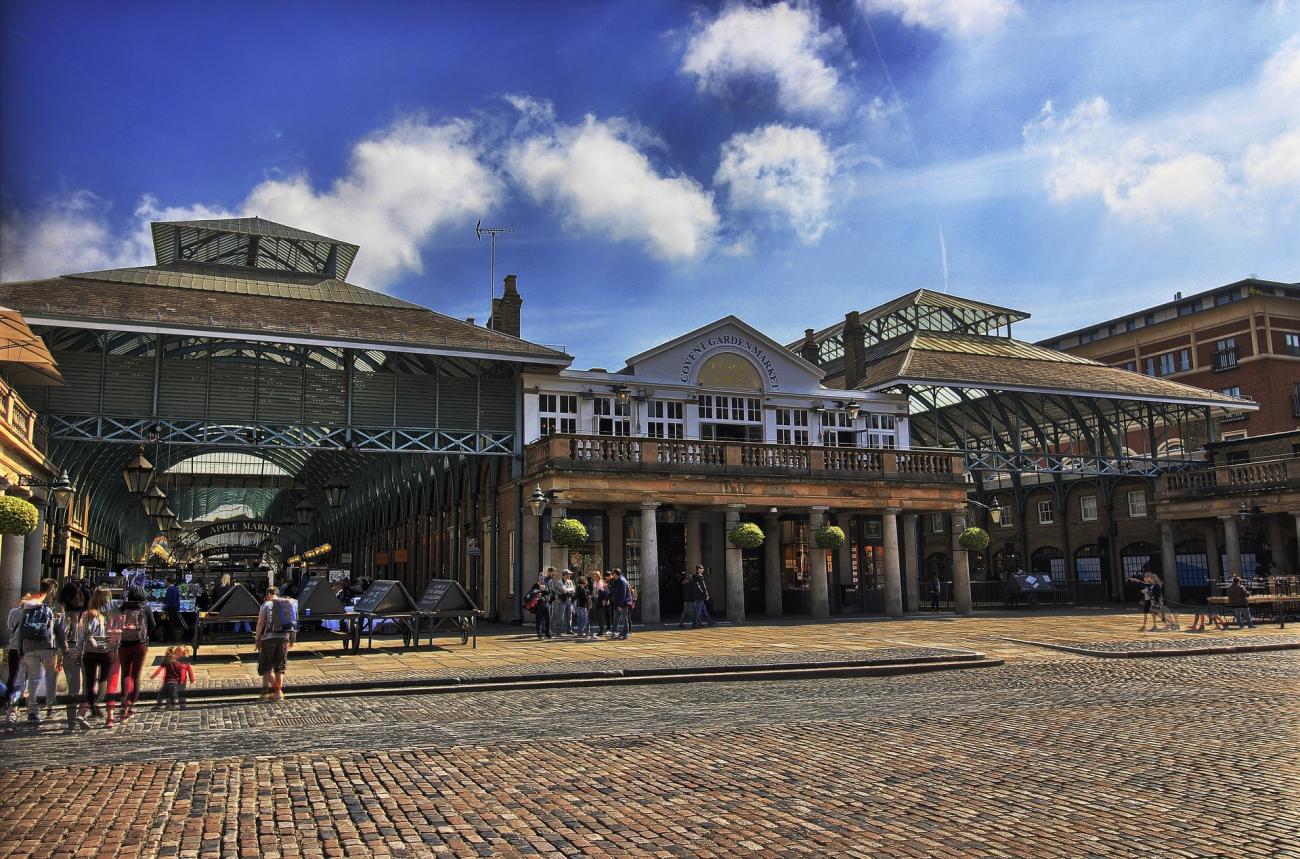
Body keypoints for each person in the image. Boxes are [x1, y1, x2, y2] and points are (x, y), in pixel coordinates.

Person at [16, 587, 65, 723]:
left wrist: (20, 650)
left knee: (33, 679)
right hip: (47, 647)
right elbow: (53, 631)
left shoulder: (25, 611)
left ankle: (32, 711)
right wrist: (59, 648)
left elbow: (20, 633)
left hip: (29, 649)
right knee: (50, 675)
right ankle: (49, 705)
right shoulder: (48, 610)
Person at [110, 586, 156, 723]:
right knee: (136, 675)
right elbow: (153, 625)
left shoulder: (122, 607)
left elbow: (115, 624)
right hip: (139, 644)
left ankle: (124, 701)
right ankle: (130, 705)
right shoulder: (145, 608)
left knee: (125, 673)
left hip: (123, 644)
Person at [76, 588, 115, 729]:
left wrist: (78, 651)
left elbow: (80, 634)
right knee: (104, 680)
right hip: (105, 651)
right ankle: (97, 703)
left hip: (90, 651)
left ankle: (91, 706)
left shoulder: (87, 614)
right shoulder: (110, 614)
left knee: (90, 682)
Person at [254, 586, 298, 702]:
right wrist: (292, 640)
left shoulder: (266, 605)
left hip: (268, 639)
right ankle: (278, 694)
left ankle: (265, 694)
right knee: (280, 667)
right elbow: (294, 624)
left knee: (265, 666)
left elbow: (260, 624)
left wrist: (257, 639)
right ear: (277, 594)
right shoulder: (289, 604)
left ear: (268, 595)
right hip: (284, 638)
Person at [525, 574, 551, 640]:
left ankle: (547, 633)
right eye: (541, 578)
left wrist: (545, 589)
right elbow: (531, 593)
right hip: (538, 604)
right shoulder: (535, 585)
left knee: (548, 619)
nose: (542, 579)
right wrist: (538, 591)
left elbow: (548, 592)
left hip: (545, 604)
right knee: (539, 619)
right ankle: (539, 633)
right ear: (539, 578)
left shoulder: (545, 584)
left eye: (543, 578)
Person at [609, 568, 632, 640]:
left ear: (616, 574)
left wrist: (620, 605)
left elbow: (623, 594)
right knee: (616, 618)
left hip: (623, 603)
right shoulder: (615, 581)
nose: (612, 575)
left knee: (624, 619)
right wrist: (606, 598)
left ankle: (625, 634)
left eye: (613, 574)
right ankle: (614, 632)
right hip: (617, 602)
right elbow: (612, 591)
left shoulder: (622, 581)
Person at [163, 574, 183, 643]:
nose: (164, 582)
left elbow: (167, 600)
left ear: (168, 582)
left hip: (170, 608)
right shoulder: (176, 588)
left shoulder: (169, 589)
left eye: (165, 581)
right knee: (172, 623)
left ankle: (171, 639)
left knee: (169, 624)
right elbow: (178, 599)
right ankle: (170, 639)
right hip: (175, 608)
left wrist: (164, 607)